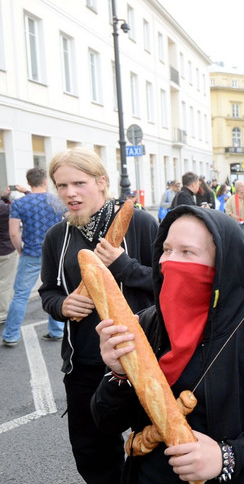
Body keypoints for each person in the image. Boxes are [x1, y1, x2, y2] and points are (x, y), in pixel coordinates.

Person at [92, 206, 244, 483]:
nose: (170, 261)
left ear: (222, 262)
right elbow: (107, 422)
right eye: (166, 249)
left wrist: (227, 456)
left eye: (187, 252)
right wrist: (118, 374)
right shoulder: (144, 324)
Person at [39, 147, 158, 483]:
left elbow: (168, 284)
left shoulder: (140, 224)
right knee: (92, 452)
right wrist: (61, 305)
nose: (70, 193)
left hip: (143, 357)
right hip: (85, 365)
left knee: (152, 447)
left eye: (79, 183)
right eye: (62, 186)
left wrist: (125, 266)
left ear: (102, 182)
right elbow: (48, 291)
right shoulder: (57, 236)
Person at [2, 168, 65, 345]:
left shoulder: (19, 204)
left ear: (28, 183)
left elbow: (14, 233)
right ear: (45, 181)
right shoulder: (57, 200)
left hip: (31, 253)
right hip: (54, 253)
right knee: (56, 290)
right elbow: (70, 222)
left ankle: (11, 335)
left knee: (21, 295)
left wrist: (20, 250)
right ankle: (57, 330)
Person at [0, 187, 19, 320]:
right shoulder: (5, 209)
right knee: (5, 283)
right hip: (5, 250)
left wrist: (4, 197)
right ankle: (2, 313)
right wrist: (26, 191)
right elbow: (21, 206)